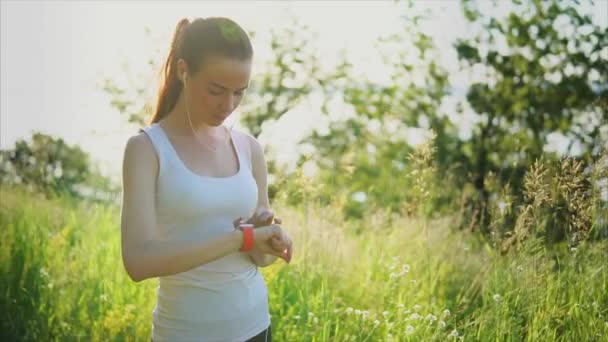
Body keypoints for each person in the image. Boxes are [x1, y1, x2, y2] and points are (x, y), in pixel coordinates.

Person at [120, 17, 293, 342]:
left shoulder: (249, 148)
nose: (228, 106)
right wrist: (241, 238)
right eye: (216, 90)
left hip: (257, 326)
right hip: (186, 332)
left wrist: (269, 239)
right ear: (184, 70)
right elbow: (138, 261)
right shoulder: (146, 150)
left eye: (239, 93)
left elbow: (261, 258)